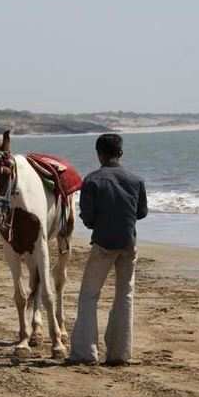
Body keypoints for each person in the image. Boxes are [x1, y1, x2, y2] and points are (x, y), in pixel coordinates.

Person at [67, 133, 148, 367]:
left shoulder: (92, 180)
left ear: (98, 154)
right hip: (128, 243)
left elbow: (88, 217)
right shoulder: (136, 180)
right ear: (120, 153)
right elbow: (141, 213)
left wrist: (101, 223)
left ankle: (85, 352)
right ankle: (119, 353)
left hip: (103, 243)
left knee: (89, 295)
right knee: (125, 295)